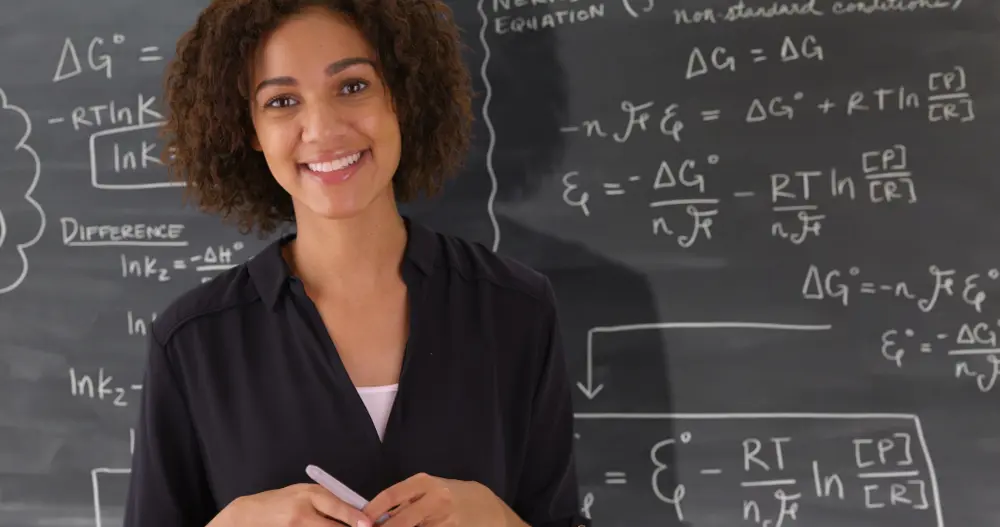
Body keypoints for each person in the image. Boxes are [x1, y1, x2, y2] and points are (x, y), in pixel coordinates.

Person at [122, 1, 586, 526]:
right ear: (248, 128)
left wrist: (500, 522)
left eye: (352, 87)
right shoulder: (192, 343)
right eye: (281, 100)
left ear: (402, 96)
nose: (321, 129)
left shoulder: (515, 310)